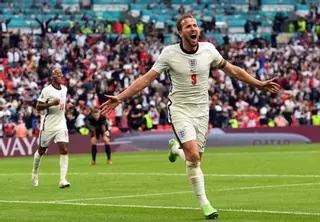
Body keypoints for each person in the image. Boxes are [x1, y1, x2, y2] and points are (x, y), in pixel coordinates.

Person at [99, 14, 280, 220]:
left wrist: (258, 83)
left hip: (202, 111)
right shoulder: (169, 53)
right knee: (193, 156)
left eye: (195, 25)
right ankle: (205, 204)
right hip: (180, 109)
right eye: (188, 26)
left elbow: (233, 70)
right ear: (180, 32)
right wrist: (120, 98)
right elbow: (146, 79)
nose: (193, 29)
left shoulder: (209, 50)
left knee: (195, 162)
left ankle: (176, 149)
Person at [31, 68, 71, 189]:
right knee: (41, 150)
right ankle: (34, 173)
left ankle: (63, 180)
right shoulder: (47, 90)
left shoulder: (65, 89)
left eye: (61, 74)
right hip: (48, 124)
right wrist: (51, 104)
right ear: (52, 77)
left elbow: (63, 104)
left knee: (64, 149)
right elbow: (38, 107)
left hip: (61, 124)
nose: (60, 76)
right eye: (57, 75)